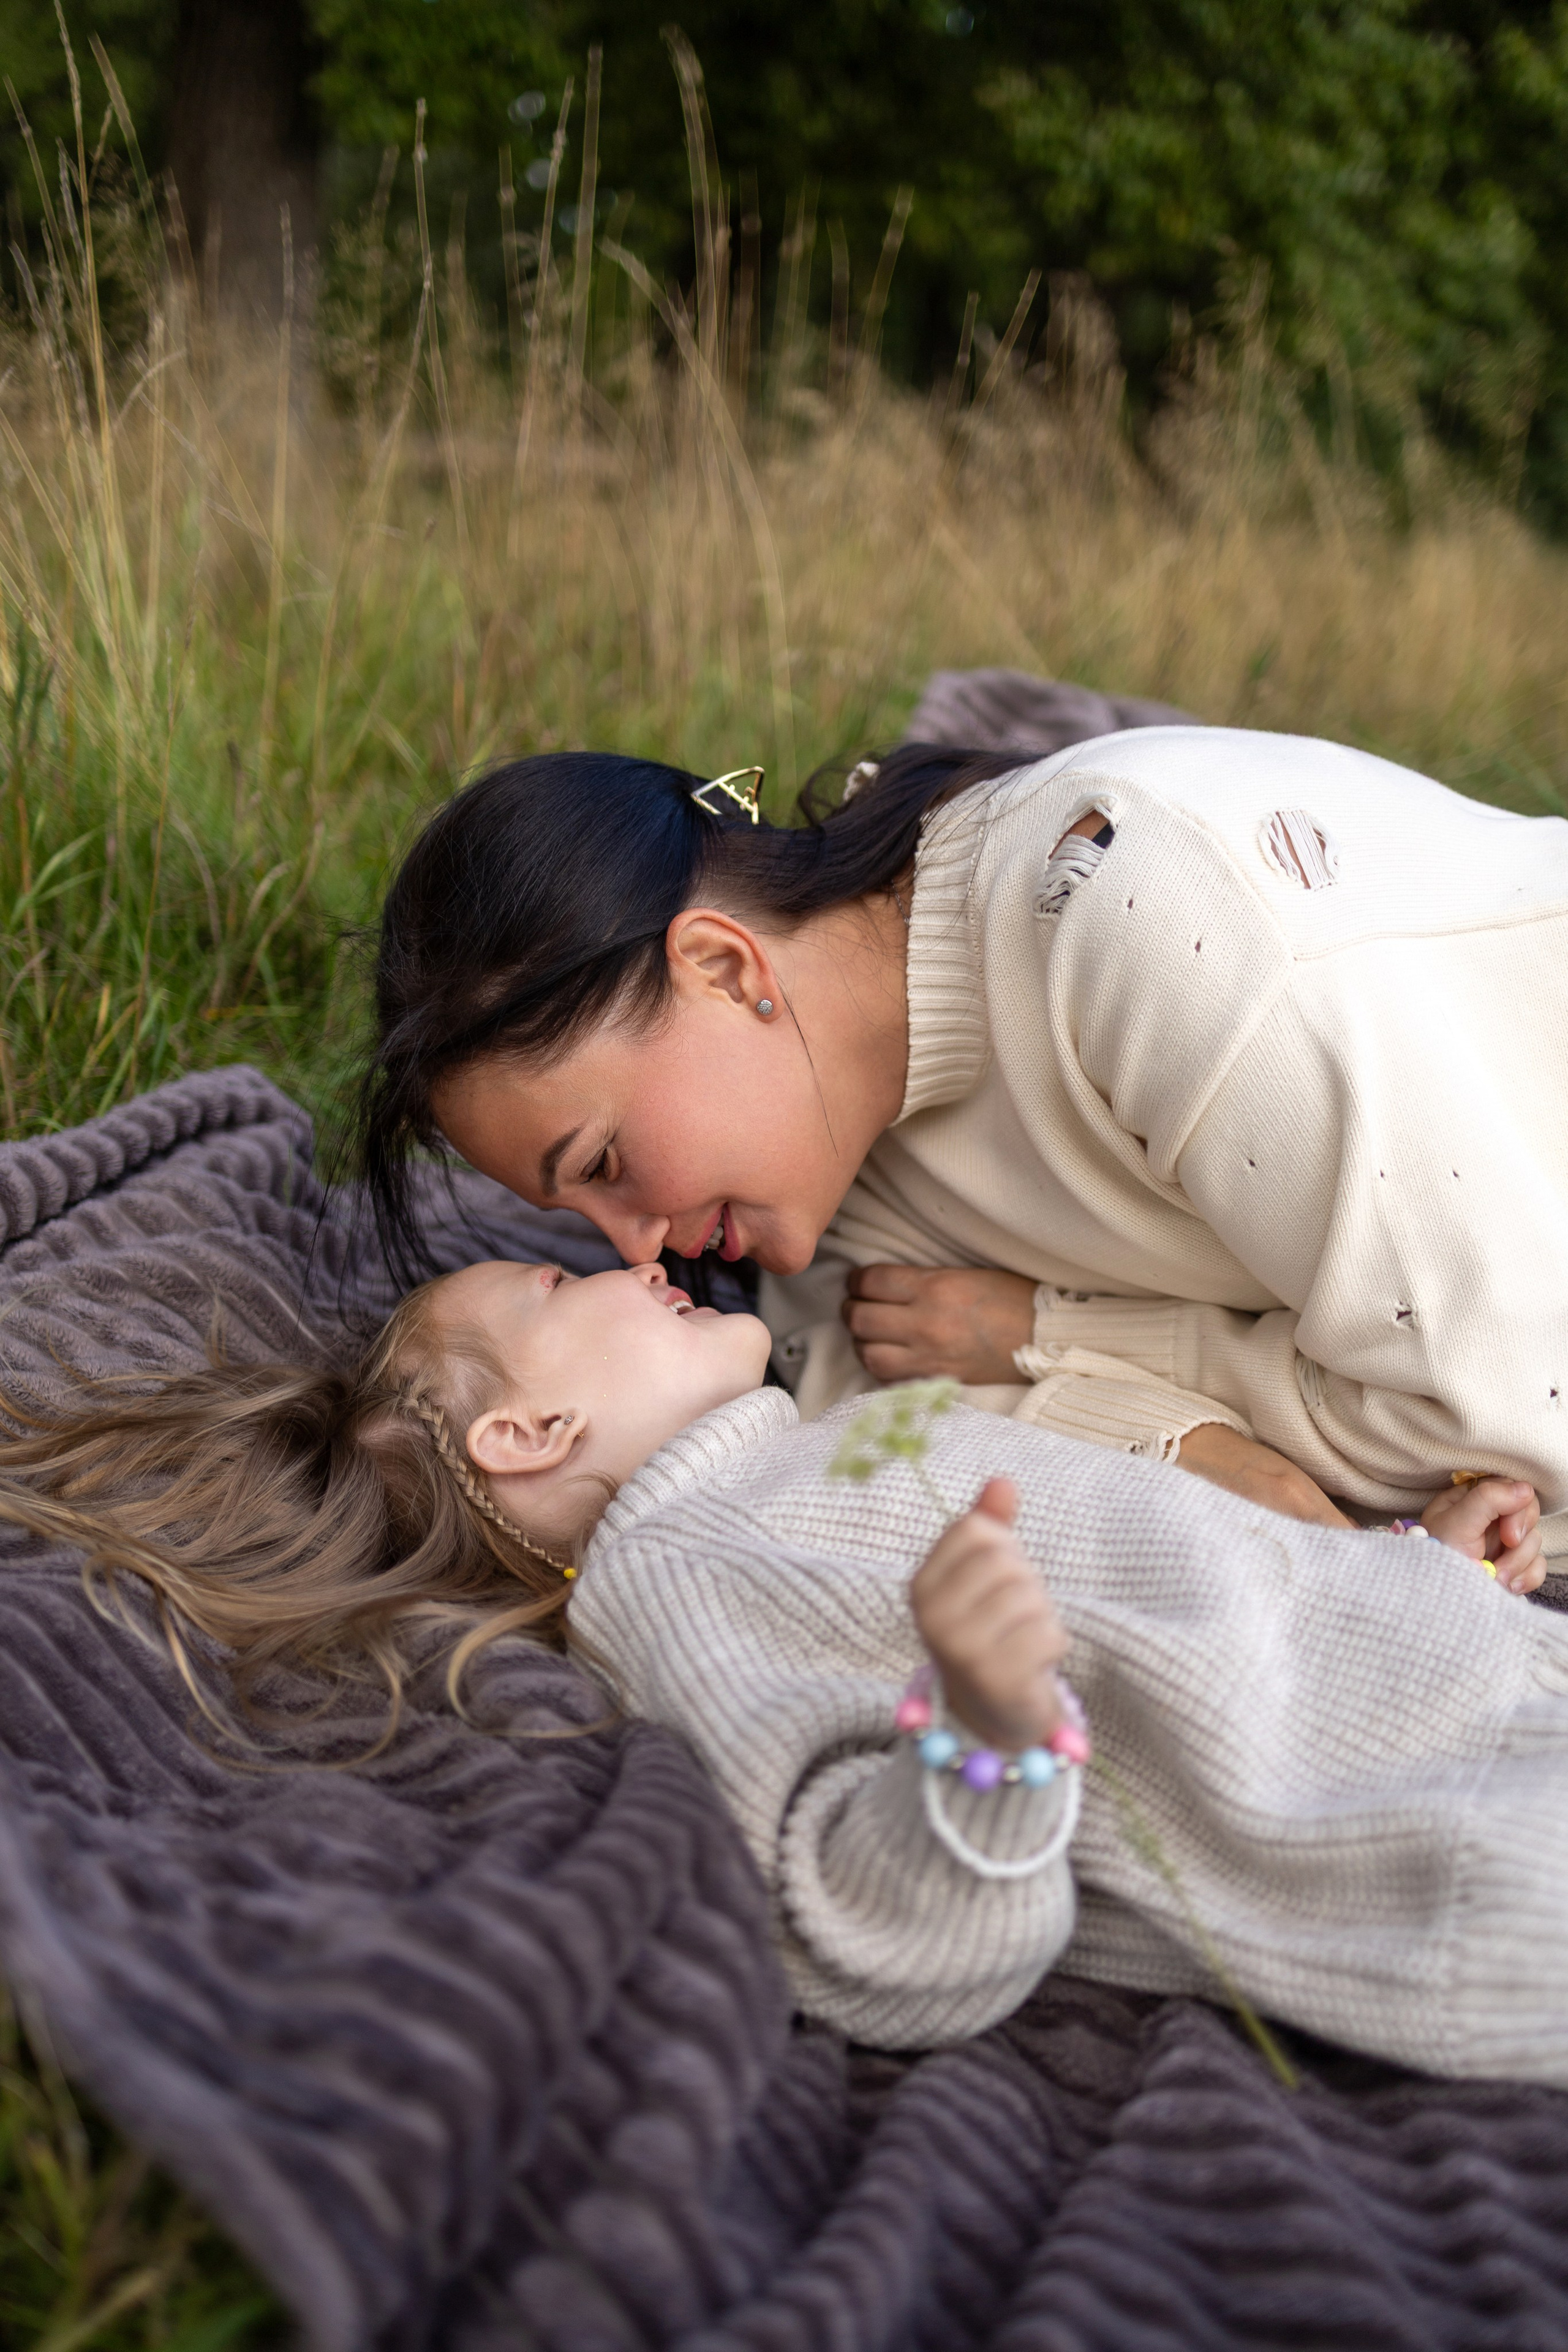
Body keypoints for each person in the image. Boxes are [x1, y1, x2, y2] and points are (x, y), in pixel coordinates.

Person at [2, 1256, 1564, 2077]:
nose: (621, 1267)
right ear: (525, 1435)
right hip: (1441, 1849)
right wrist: (984, 1730)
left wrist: (1415, 1572)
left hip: (1478, 1682)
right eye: (561, 1291)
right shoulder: (674, 1585)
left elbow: (1174, 1559)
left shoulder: (812, 1451)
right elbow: (878, 1934)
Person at [358, 734, 1568, 1584]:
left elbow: (1513, 1435)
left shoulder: (1156, 928)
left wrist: (1048, 1333)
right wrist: (1209, 1456)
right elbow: (913, 1422)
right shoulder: (825, 1217)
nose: (634, 1247)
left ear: (725, 969)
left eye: (608, 1161)